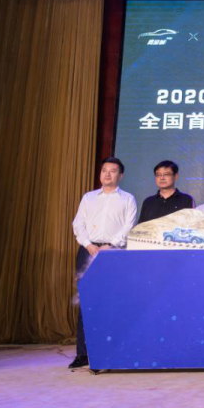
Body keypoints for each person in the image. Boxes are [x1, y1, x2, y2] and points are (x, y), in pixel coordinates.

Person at [69, 157, 138, 369]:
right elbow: (78, 224)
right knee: (86, 301)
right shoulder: (89, 198)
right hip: (88, 251)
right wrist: (89, 245)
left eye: (113, 170)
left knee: (113, 300)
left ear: (121, 175)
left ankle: (112, 350)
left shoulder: (128, 199)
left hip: (114, 253)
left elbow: (129, 226)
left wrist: (111, 245)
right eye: (104, 170)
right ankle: (83, 354)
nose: (107, 174)